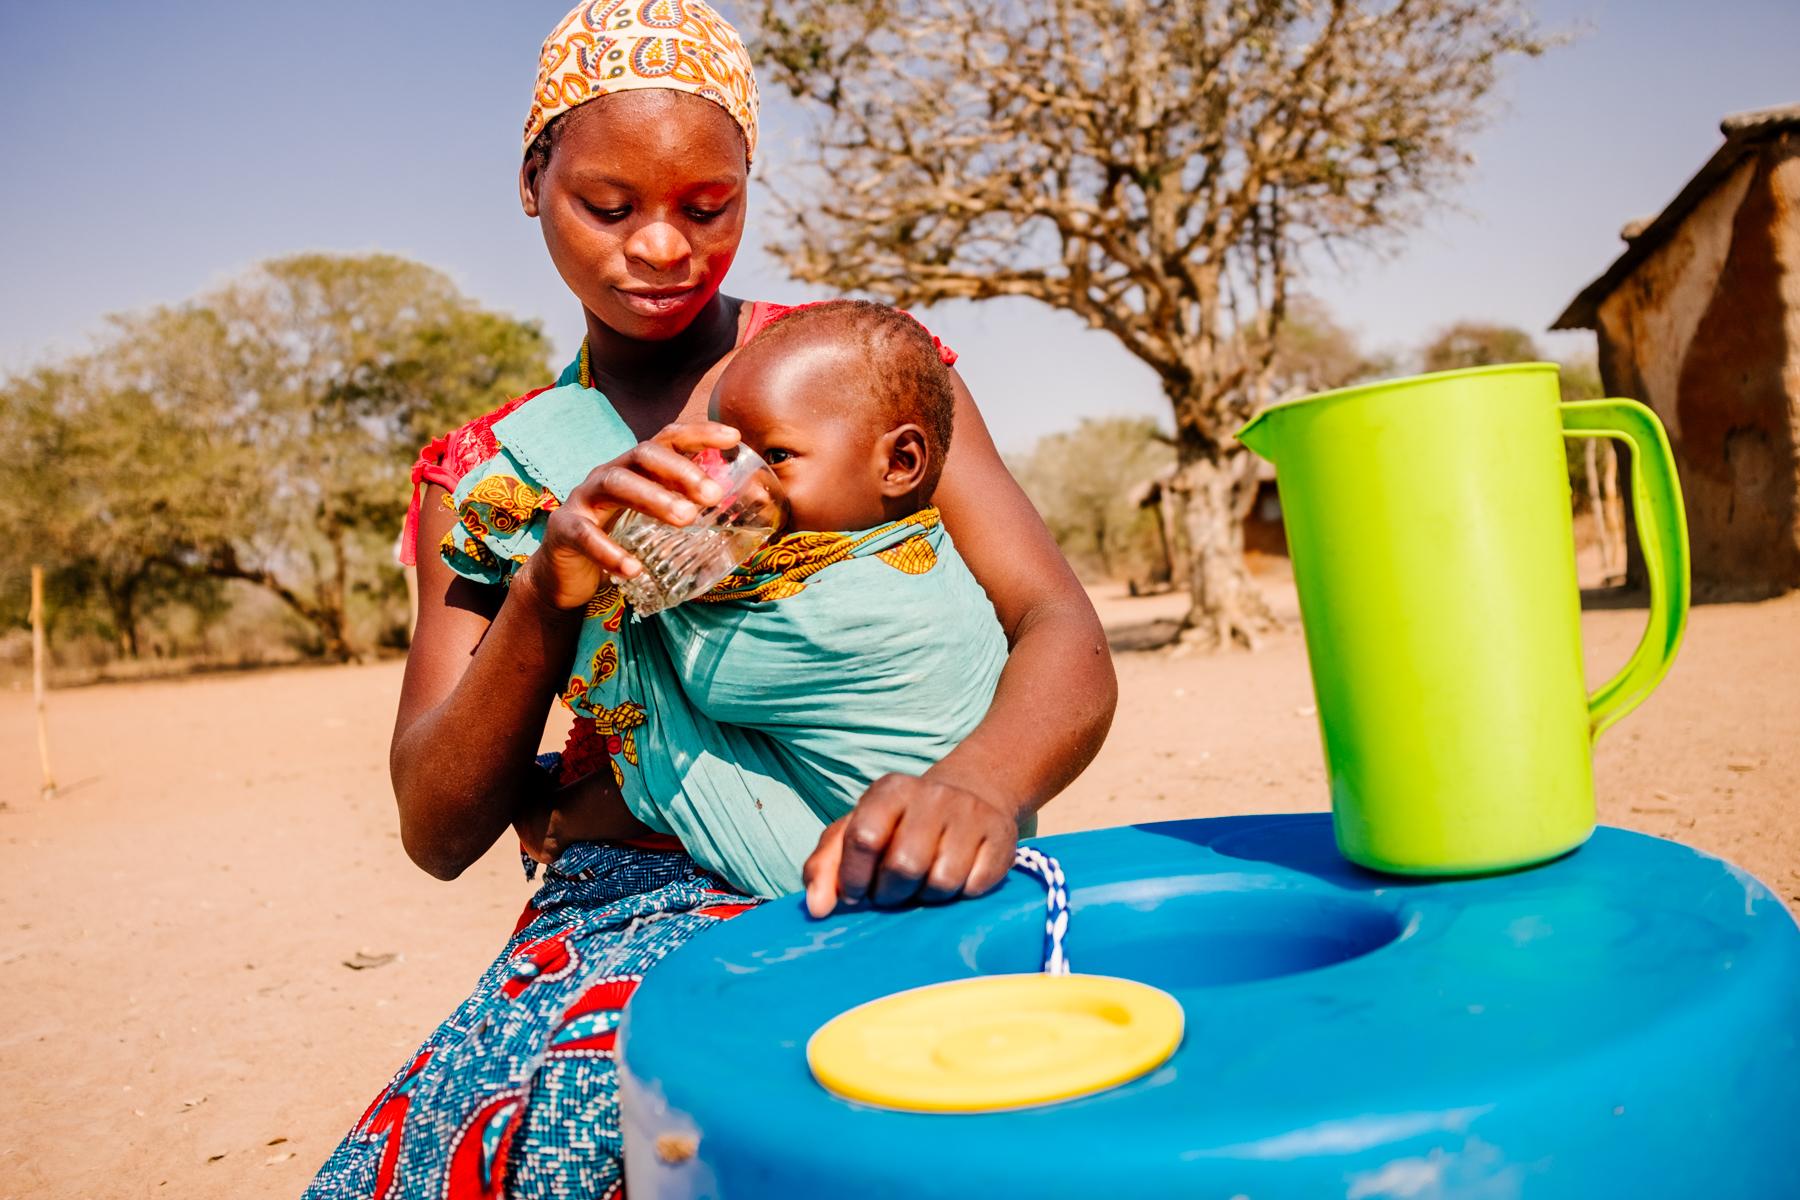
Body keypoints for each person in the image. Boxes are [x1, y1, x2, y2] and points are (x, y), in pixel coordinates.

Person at [307, 3, 1115, 1196]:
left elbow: (1059, 628)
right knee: (560, 1125)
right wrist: (551, 584)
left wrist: (976, 787)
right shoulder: (488, 479)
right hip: (623, 910)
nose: (663, 248)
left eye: (707, 206)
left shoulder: (861, 375)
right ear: (534, 182)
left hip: (888, 861)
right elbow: (436, 828)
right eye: (608, 204)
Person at [448, 299, 1011, 901]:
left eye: (777, 457)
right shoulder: (860, 540)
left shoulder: (875, 589)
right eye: (730, 456)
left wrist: (626, 574)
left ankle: (565, 817)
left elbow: (706, 680)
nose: (743, 486)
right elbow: (438, 837)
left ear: (900, 463)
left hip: (878, 866)